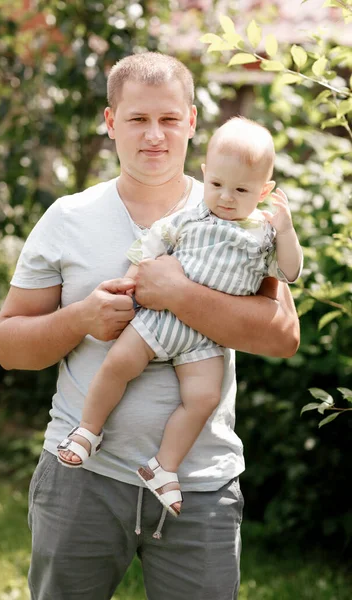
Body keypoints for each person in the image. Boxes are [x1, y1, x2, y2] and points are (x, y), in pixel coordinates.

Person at [0, 52, 300, 600]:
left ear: (192, 123)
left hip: (200, 486)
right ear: (110, 123)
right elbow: (9, 347)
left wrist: (177, 293)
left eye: (169, 119)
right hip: (82, 481)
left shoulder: (244, 216)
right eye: (137, 119)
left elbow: (282, 335)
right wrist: (83, 317)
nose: (154, 136)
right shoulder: (68, 218)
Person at [56, 116, 303, 519]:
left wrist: (287, 230)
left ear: (265, 191)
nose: (225, 197)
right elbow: (150, 246)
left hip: (207, 336)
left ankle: (163, 467)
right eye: (217, 184)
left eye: (241, 190)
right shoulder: (189, 216)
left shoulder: (264, 236)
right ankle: (88, 429)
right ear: (204, 174)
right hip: (161, 319)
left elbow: (291, 272)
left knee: (204, 397)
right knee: (119, 363)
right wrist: (131, 283)